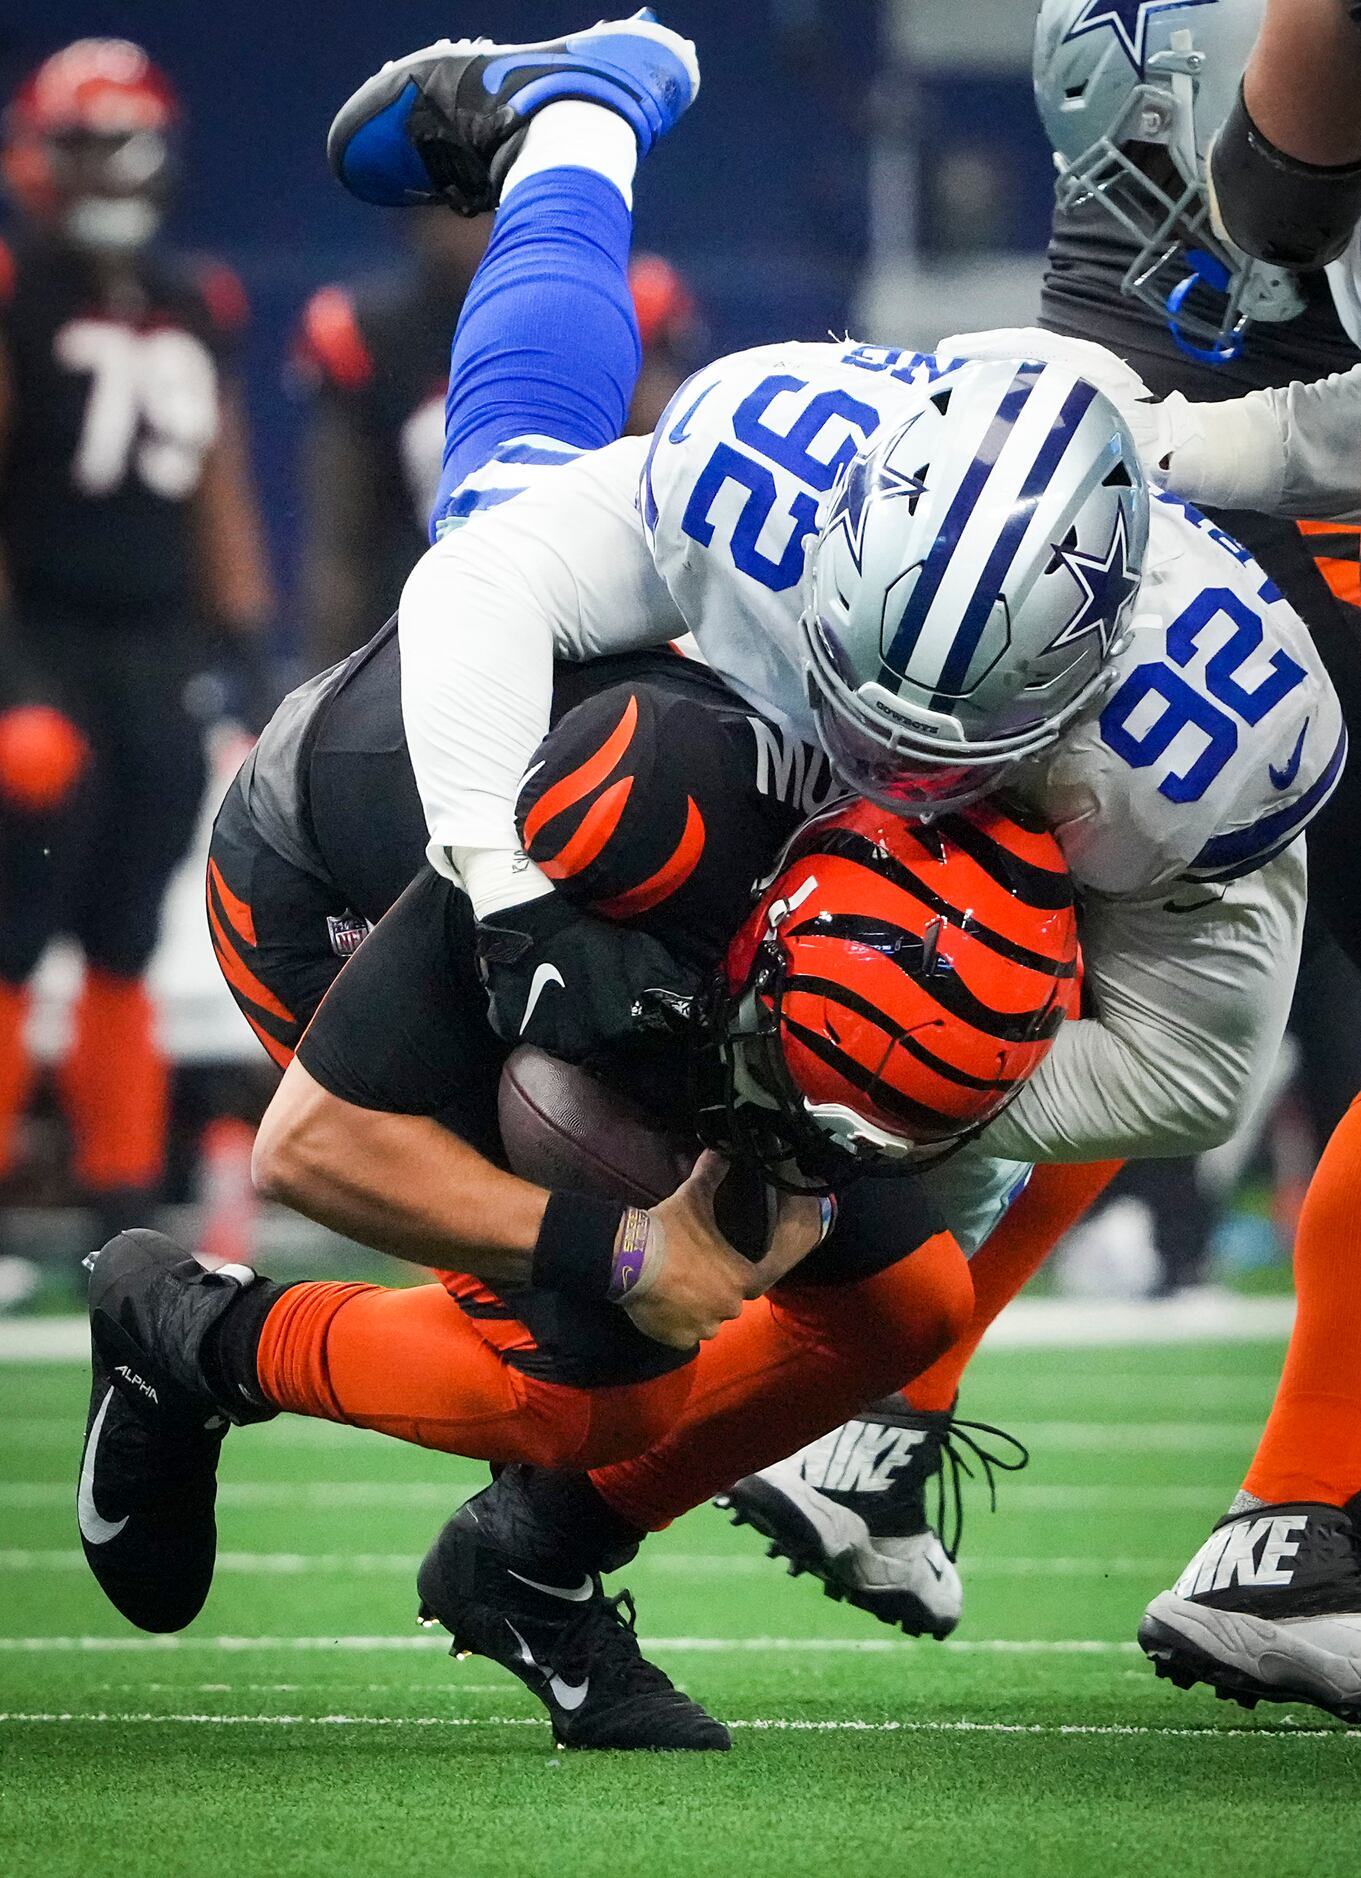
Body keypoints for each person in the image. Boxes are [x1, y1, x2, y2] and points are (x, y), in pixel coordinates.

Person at [80, 18, 985, 1754]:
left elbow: (1126, 1060)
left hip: (605, 703)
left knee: (909, 1295)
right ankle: (183, 1327)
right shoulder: (640, 781)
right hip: (370, 855)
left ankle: (586, 111)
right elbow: (322, 1146)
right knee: (571, 1386)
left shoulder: (982, 748)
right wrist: (622, 1240)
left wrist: (842, 1145)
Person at [728, 0, 1361, 1657]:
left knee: (1086, 948)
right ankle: (1298, 1522)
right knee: (1137, 955)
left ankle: (876, 1396)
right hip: (1252, 423)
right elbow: (1290, 175)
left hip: (1140, 362)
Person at [0, 40, 275, 1252]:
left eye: (123, 140)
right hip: (42, 640)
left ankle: (122, 1210)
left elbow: (219, 491)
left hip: (154, 649)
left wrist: (255, 662)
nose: (108, 167)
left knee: (123, 931)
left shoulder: (190, 299)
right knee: (13, 926)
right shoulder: (17, 287)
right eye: (86, 142)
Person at [294, 219, 700, 672]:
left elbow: (678, 491)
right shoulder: (375, 335)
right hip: (438, 635)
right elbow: (342, 551)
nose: (475, 221)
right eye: (456, 202)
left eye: (493, 197)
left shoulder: (618, 306)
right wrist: (322, 694)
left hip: (607, 634)